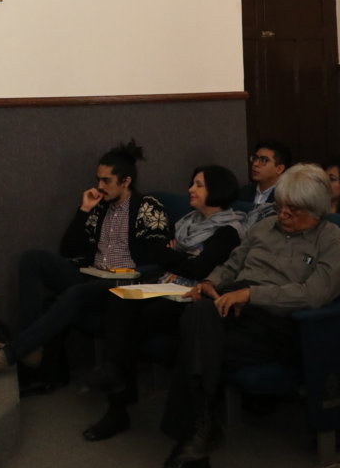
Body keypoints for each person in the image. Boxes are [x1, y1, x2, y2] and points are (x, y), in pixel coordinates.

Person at [146, 165, 340, 468]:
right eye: (280, 205)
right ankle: (196, 440)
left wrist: (251, 294)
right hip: (232, 310)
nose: (283, 214)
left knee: (195, 335)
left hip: (277, 324)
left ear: (316, 209)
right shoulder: (264, 227)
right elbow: (231, 265)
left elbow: (313, 294)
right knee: (197, 315)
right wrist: (211, 282)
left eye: (293, 209)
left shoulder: (334, 241)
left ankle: (195, 440)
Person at [0, 140, 169, 385]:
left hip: (123, 285)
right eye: (98, 180)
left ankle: (5, 355)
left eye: (106, 181)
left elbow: (159, 258)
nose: (100, 186)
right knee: (32, 259)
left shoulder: (147, 207)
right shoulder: (100, 207)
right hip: (93, 275)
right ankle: (31, 348)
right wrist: (84, 210)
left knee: (75, 293)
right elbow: (68, 250)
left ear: (126, 181)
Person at [82, 165, 248, 442]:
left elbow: (198, 269)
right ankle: (115, 383)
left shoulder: (229, 231)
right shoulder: (187, 222)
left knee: (127, 328)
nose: (190, 189)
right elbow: (168, 257)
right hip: (166, 285)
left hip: (191, 298)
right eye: (192, 183)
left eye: (198, 185)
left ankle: (117, 402)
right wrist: (177, 258)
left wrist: (168, 255)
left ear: (216, 190)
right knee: (118, 298)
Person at [238, 140, 291, 206]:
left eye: (263, 160)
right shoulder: (244, 192)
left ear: (279, 169)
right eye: (255, 158)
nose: (255, 164)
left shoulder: (288, 196)